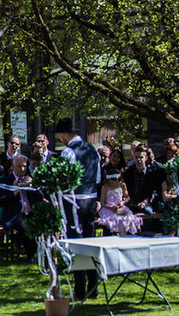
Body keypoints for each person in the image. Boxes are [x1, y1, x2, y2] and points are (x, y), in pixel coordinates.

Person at [55, 118, 100, 301]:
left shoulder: (68, 152)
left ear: (65, 134)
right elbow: (97, 178)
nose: (60, 139)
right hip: (90, 201)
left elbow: (64, 180)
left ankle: (80, 290)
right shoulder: (93, 150)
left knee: (76, 245)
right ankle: (93, 287)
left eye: (60, 136)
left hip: (74, 202)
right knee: (90, 242)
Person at [0, 156, 38, 258]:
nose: (22, 169)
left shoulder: (31, 179)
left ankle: (40, 253)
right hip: (13, 215)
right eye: (19, 166)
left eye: (24, 166)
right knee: (26, 226)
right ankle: (30, 256)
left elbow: (40, 197)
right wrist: (14, 193)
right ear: (13, 166)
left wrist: (32, 188)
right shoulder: (4, 181)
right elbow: (0, 202)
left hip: (30, 213)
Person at [98, 166, 143, 235]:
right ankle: (114, 233)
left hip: (120, 207)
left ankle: (125, 234)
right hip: (108, 208)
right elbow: (102, 202)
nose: (113, 182)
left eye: (115, 179)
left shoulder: (122, 185)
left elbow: (127, 197)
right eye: (111, 180)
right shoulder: (105, 187)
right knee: (114, 220)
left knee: (128, 218)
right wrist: (109, 207)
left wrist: (123, 202)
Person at [123, 144, 164, 215]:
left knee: (149, 212)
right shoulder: (129, 172)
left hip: (144, 201)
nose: (138, 159)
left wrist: (144, 202)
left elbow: (151, 191)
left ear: (146, 158)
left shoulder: (151, 173)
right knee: (123, 212)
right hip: (131, 201)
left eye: (141, 157)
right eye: (136, 157)